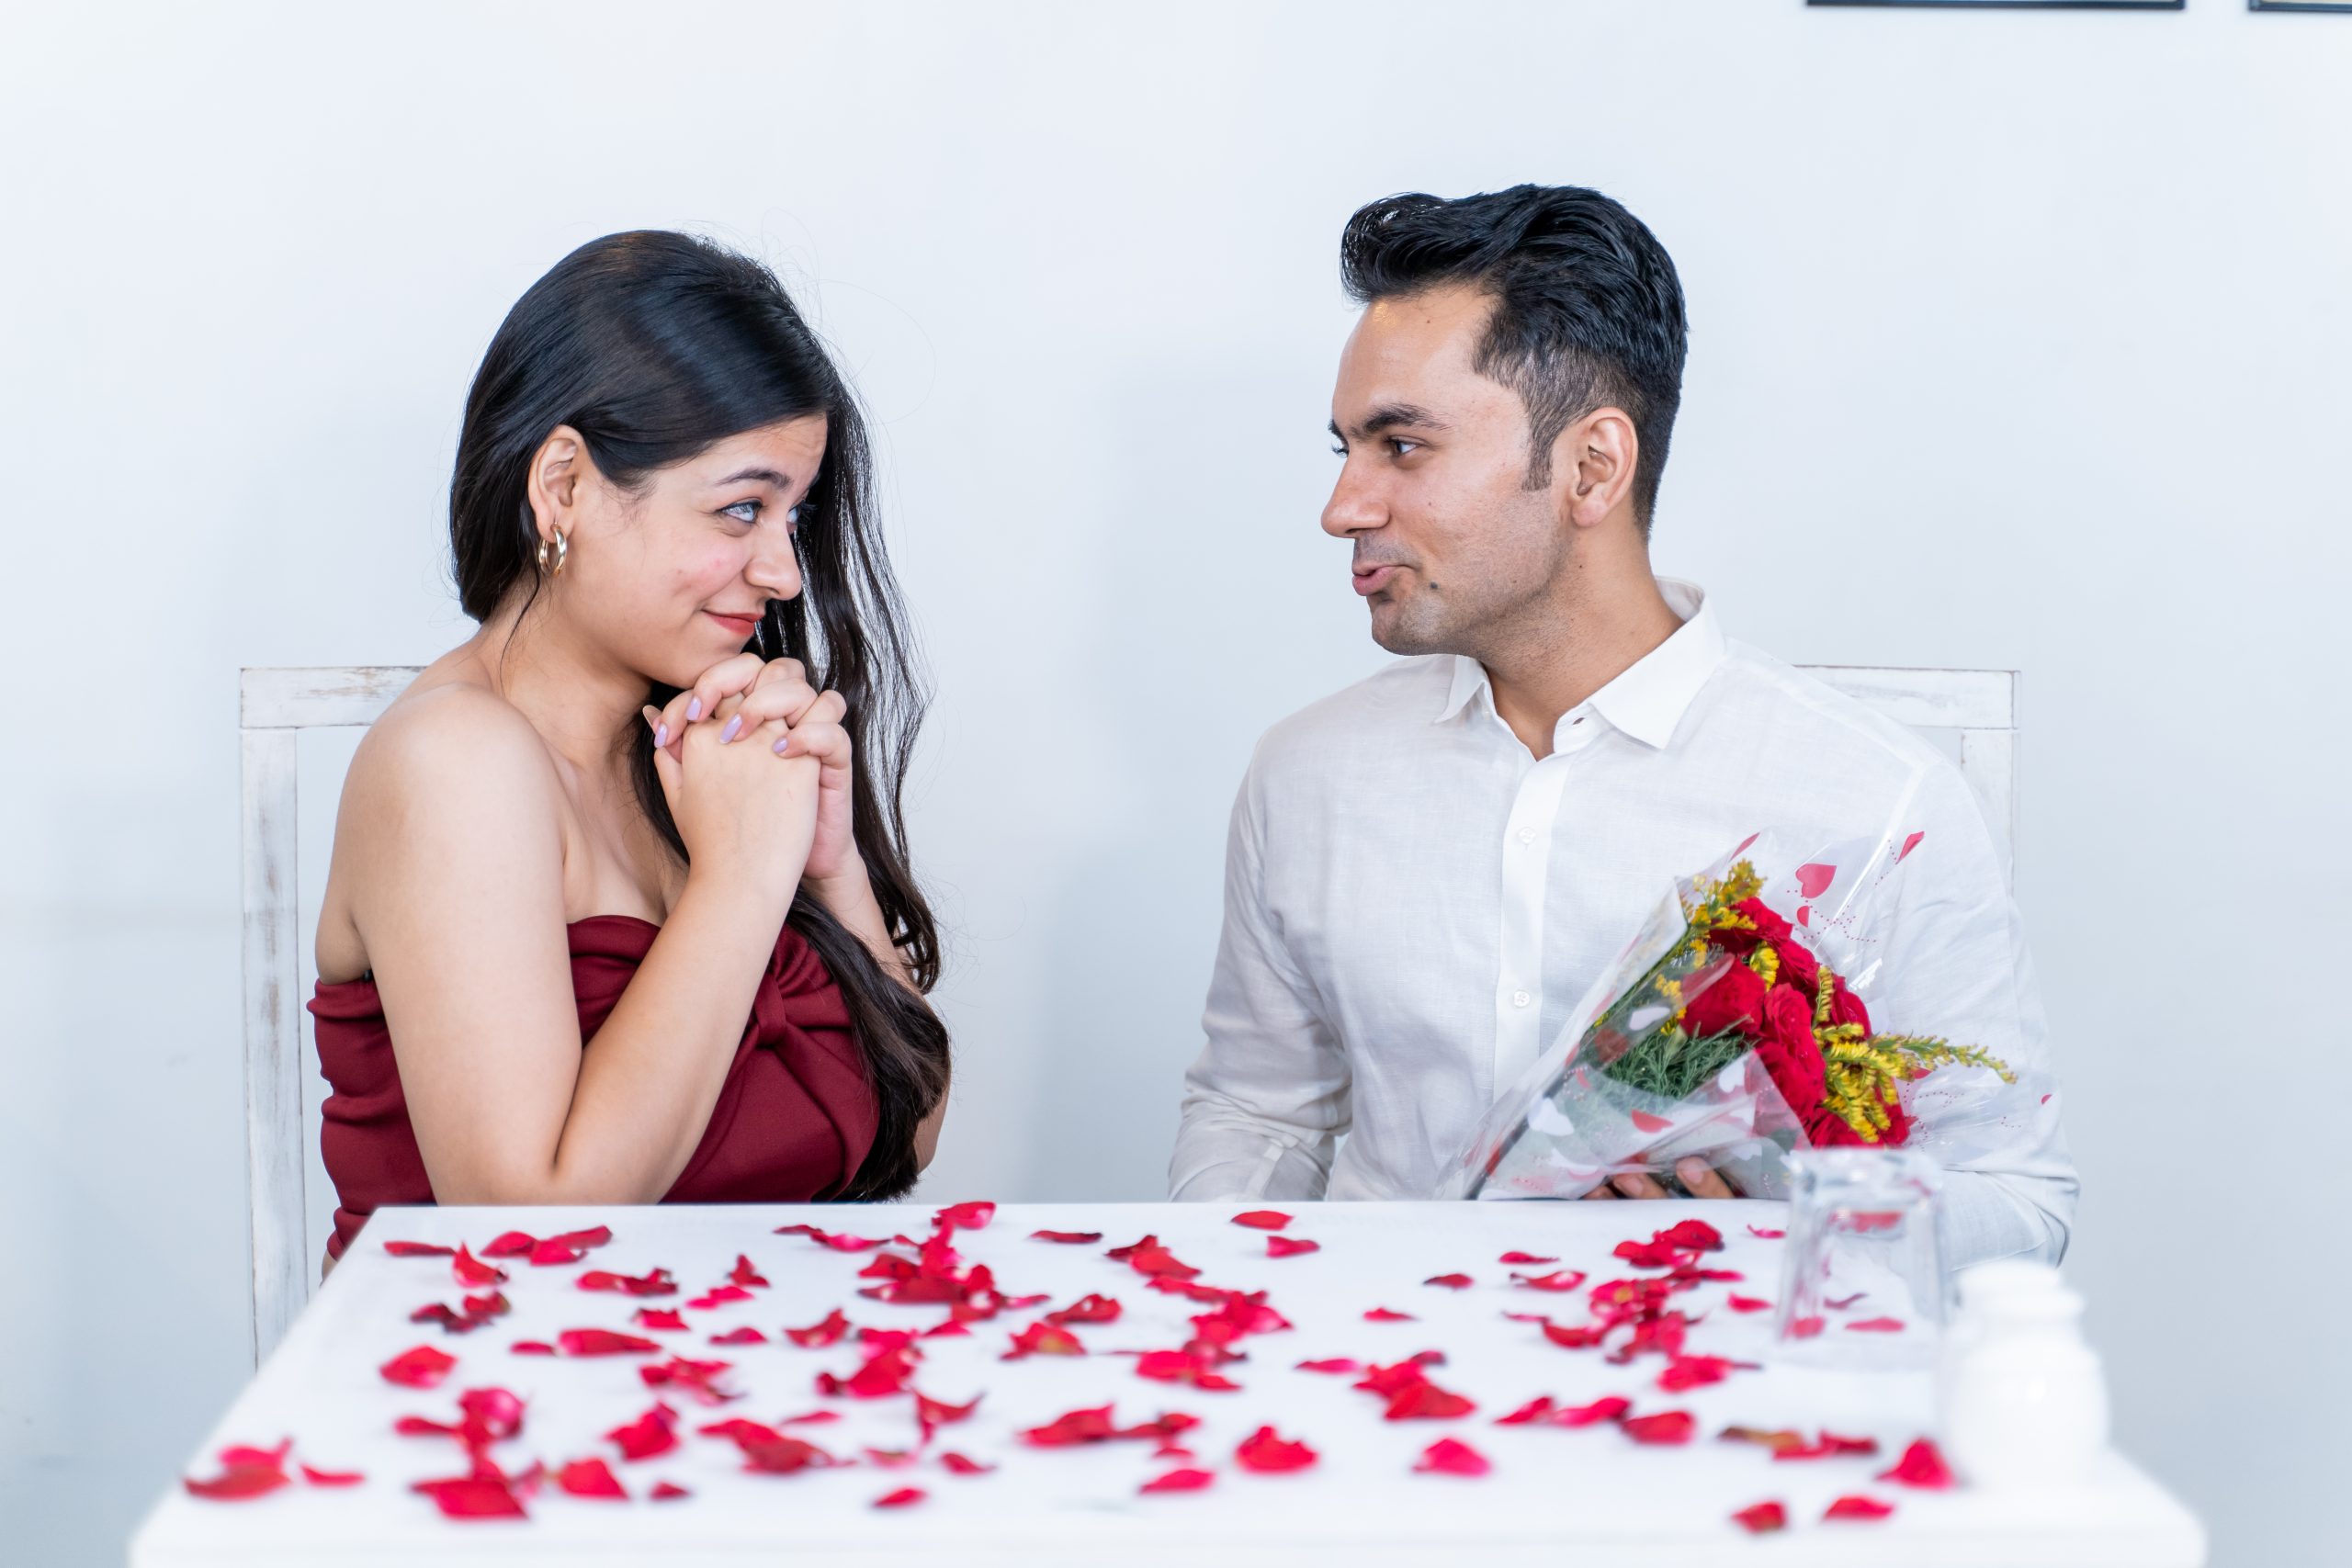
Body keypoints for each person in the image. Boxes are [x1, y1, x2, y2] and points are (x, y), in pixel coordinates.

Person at [1169, 186, 2075, 1268]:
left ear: (1592, 467)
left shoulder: (1875, 803)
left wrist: (1786, 1224)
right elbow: (1256, 1114)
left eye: (1401, 447)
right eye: (1345, 451)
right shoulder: (1307, 775)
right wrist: (1232, 1315)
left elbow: (2016, 1206)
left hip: (1712, 1409)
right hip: (1368, 1387)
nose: (1344, 507)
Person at [309, 231, 949, 1269]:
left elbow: (904, 1139)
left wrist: (831, 867)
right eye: (741, 508)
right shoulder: (455, 760)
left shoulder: (702, 751)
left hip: (745, 1386)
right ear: (562, 485)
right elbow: (528, 1226)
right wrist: (741, 877)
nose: (784, 571)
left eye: (796, 513)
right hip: (495, 1404)